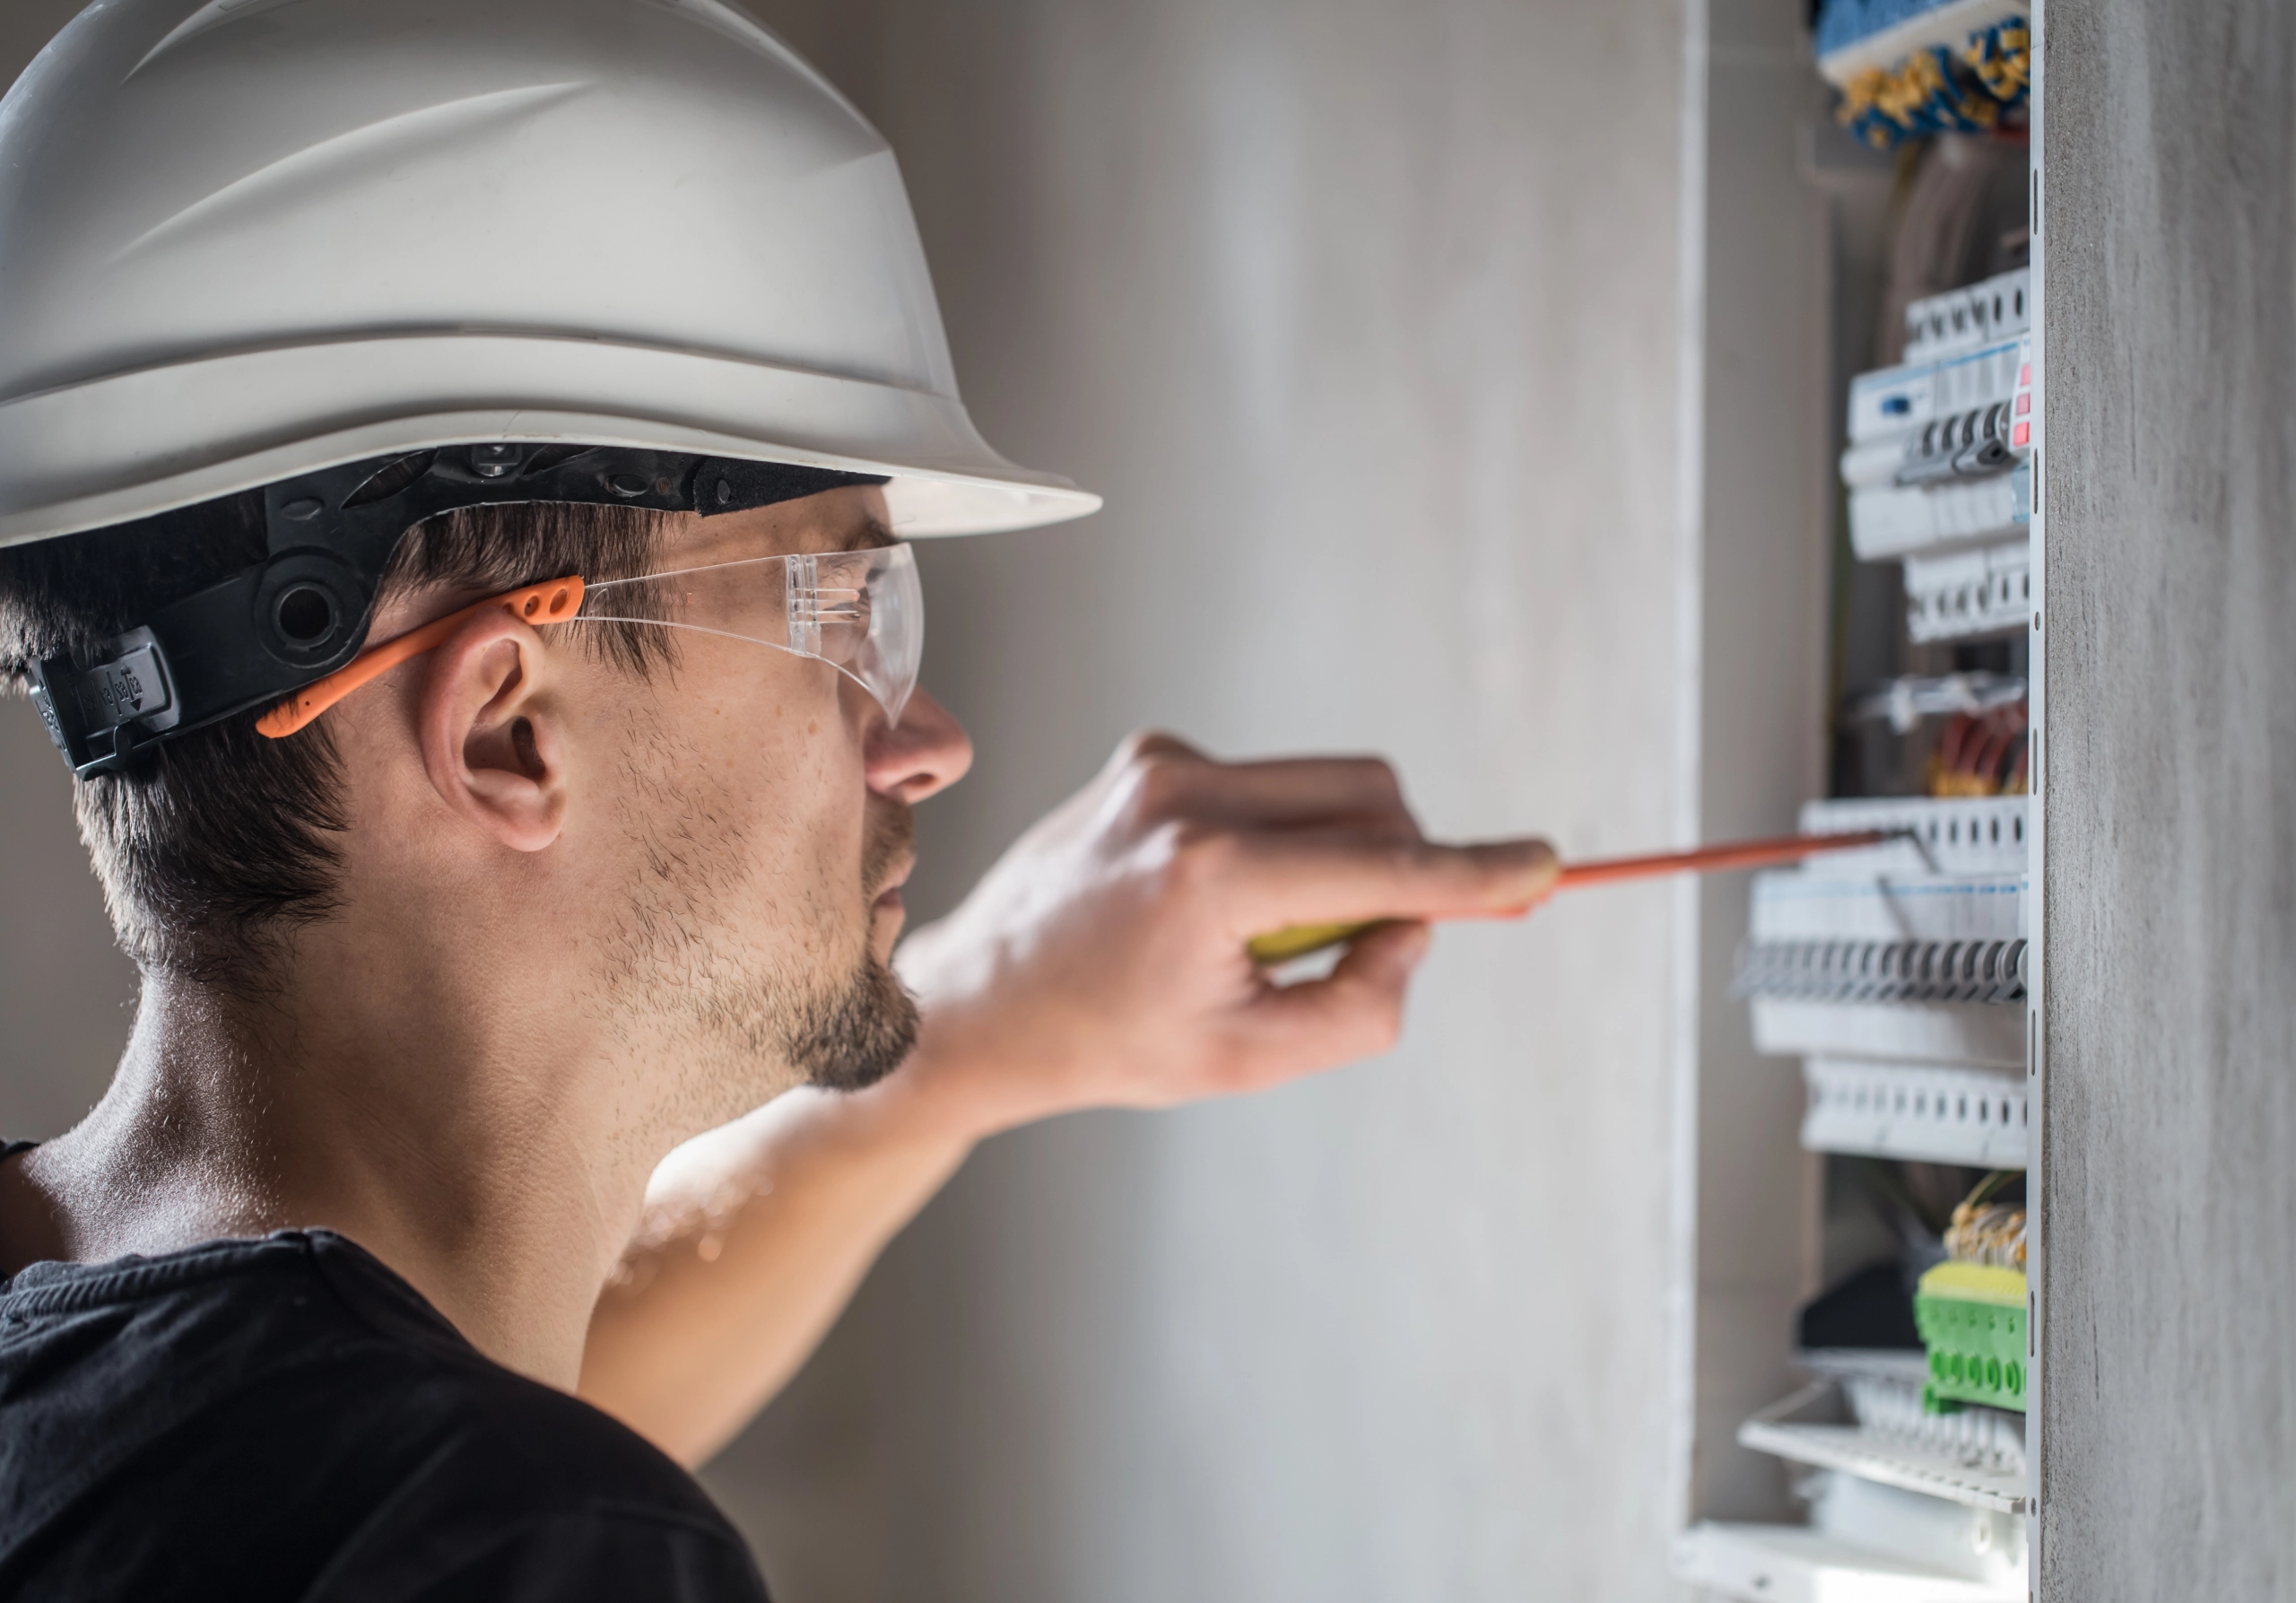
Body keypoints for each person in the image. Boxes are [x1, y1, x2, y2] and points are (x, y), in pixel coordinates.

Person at [0, 3, 1558, 1599]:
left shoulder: (171, 1413)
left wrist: (979, 1030)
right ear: (506, 736)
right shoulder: (528, 1546)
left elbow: (353, 1438)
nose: (927, 741)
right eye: (848, 617)